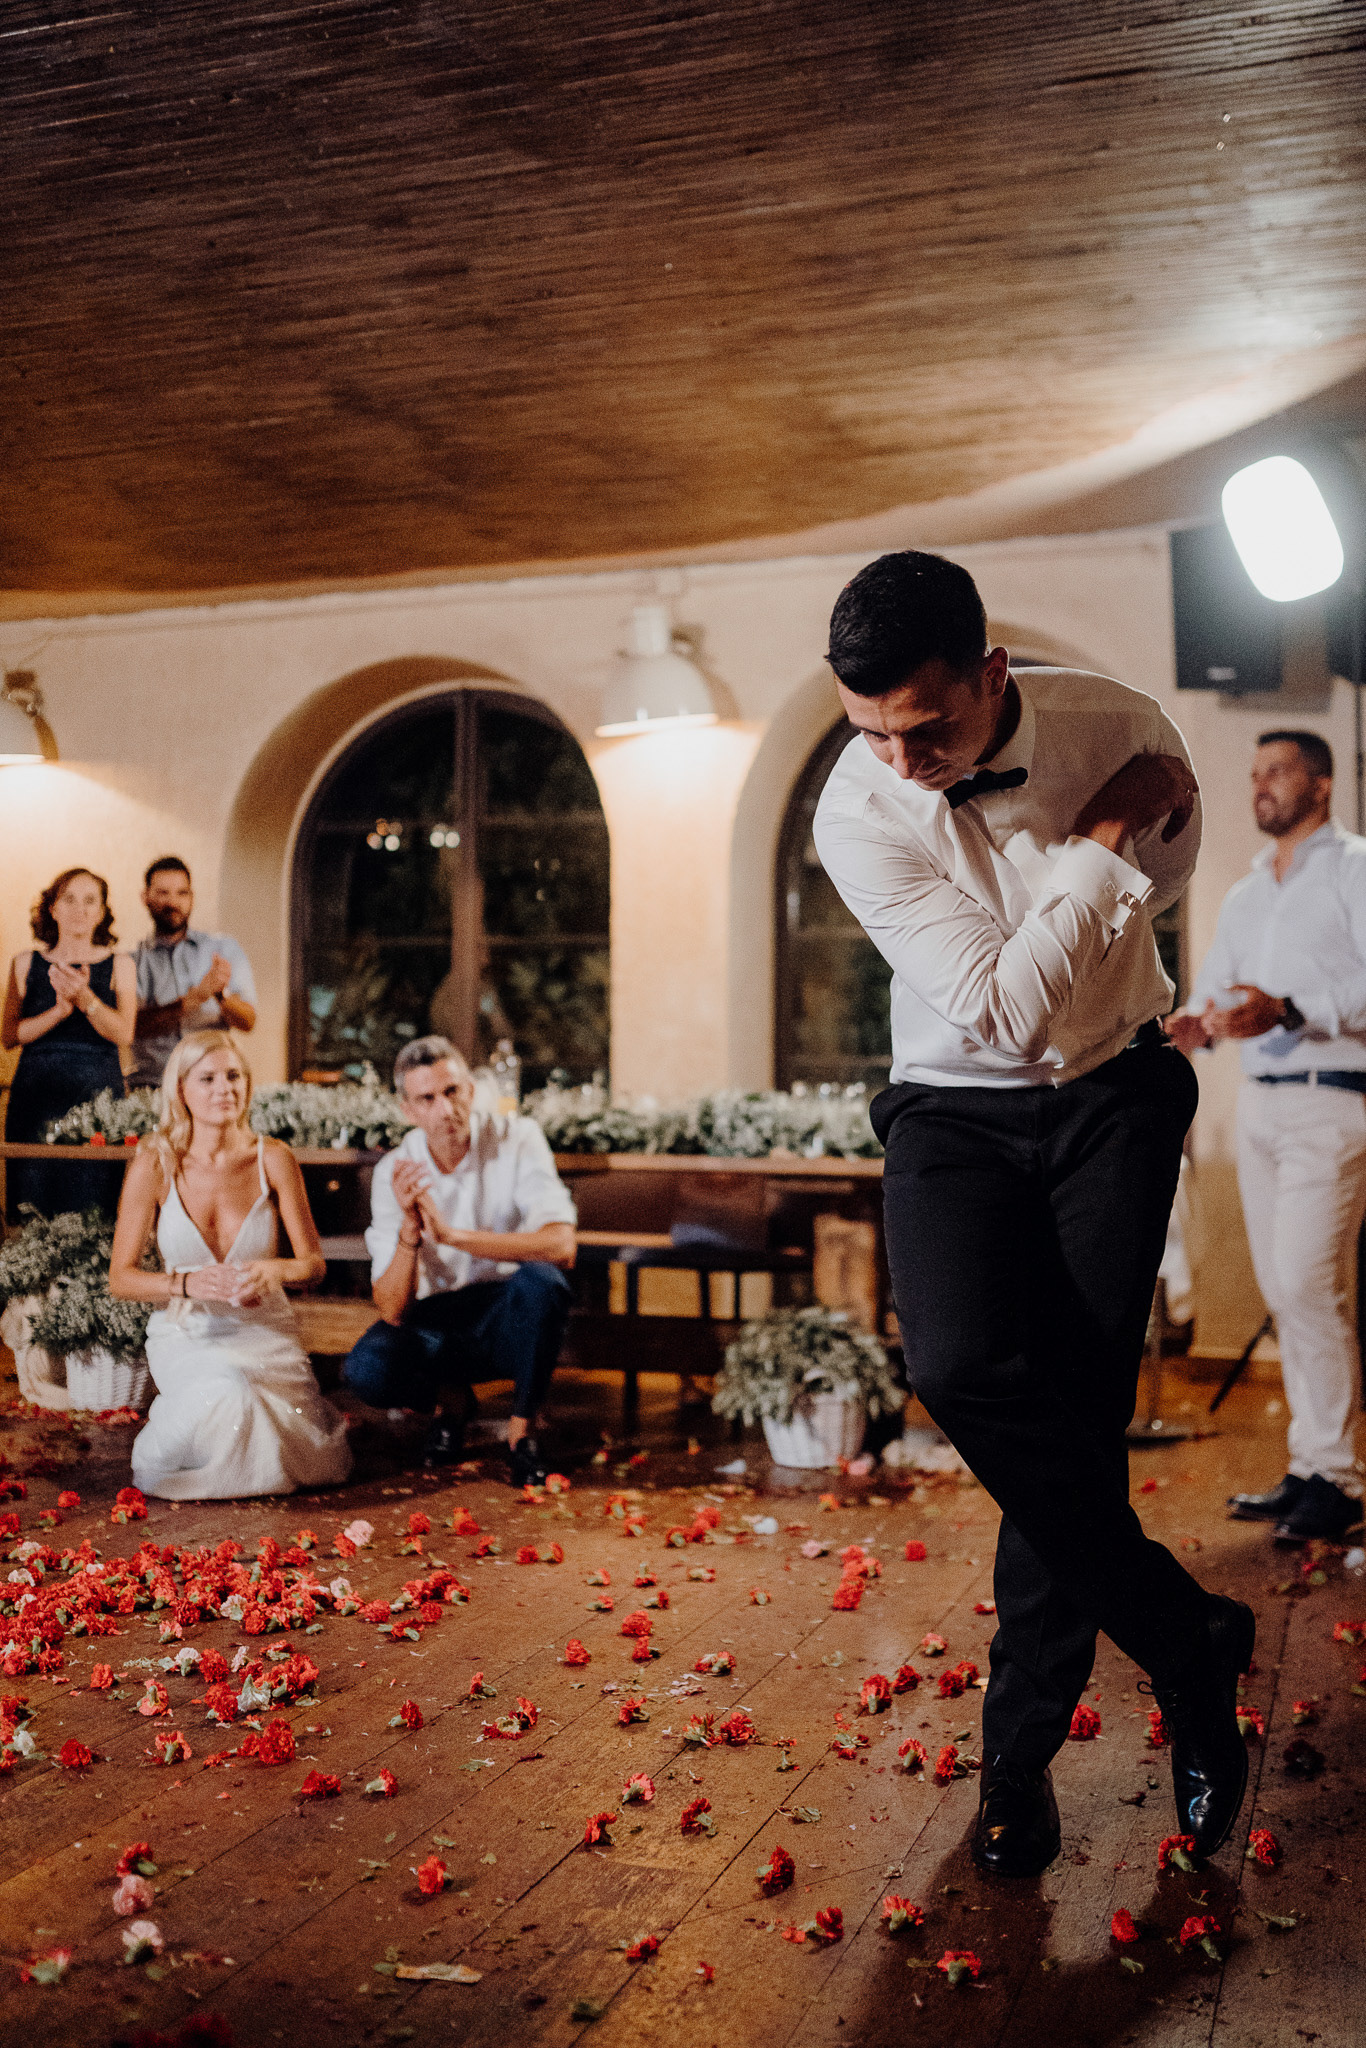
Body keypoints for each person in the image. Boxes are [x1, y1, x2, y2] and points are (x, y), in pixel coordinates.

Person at [813, 550, 1253, 1880]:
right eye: (870, 731)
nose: (902, 763)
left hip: (1115, 1092)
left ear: (992, 673)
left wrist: (1091, 885)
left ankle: (1013, 1763)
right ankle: (1184, 1640)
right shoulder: (858, 810)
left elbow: (1144, 915)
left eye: (926, 727)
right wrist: (1096, 843)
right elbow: (1005, 1011)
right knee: (955, 1367)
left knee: (1070, 1419)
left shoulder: (1123, 725)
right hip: (952, 1108)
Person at [1166, 731, 1366, 1546]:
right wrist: (1196, 1022)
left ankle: (1340, 1479)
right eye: (1253, 774)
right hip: (1261, 1106)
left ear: (1320, 784)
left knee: (1311, 1285)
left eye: (1277, 772)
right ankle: (1311, 1467)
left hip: (1333, 1099)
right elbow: (1219, 991)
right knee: (1283, 1292)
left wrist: (1290, 1008)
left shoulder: (1355, 869)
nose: (1260, 786)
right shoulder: (1248, 893)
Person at [109, 1029, 351, 1499]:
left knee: (312, 1457)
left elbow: (314, 1265)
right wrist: (186, 1283)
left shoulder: (273, 1159)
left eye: (234, 1076)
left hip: (263, 1329)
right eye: (208, 1079)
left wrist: (274, 1271)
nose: (225, 1089)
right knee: (229, 1392)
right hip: (188, 1332)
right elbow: (121, 1278)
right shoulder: (154, 1163)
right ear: (181, 1089)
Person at [342, 1035, 575, 1484]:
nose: (445, 1109)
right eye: (427, 1099)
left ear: (471, 1090)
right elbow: (392, 1309)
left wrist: (455, 1237)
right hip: (438, 1321)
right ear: (408, 1111)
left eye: (452, 1091)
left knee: (544, 1283)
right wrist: (410, 1232)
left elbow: (561, 1246)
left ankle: (522, 1432)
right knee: (368, 1369)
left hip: (507, 1313)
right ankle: (452, 1403)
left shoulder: (517, 1137)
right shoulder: (396, 1170)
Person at [2, 868, 136, 1218]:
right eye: (69, 899)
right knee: (32, 1202)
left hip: (98, 1098)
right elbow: (9, 1036)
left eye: (90, 900)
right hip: (36, 1098)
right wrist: (59, 1012)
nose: (80, 909)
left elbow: (124, 1033)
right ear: (53, 908)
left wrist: (85, 998)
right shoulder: (24, 962)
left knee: (95, 1203)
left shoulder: (121, 964)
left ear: (102, 912)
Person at [130, 857, 257, 1090]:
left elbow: (248, 1021)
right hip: (153, 1085)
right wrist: (193, 1000)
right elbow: (131, 1027)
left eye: (182, 893)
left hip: (212, 1084)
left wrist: (220, 996)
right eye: (163, 893)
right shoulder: (132, 961)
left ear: (192, 898)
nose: (173, 902)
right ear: (145, 897)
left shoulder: (223, 948)